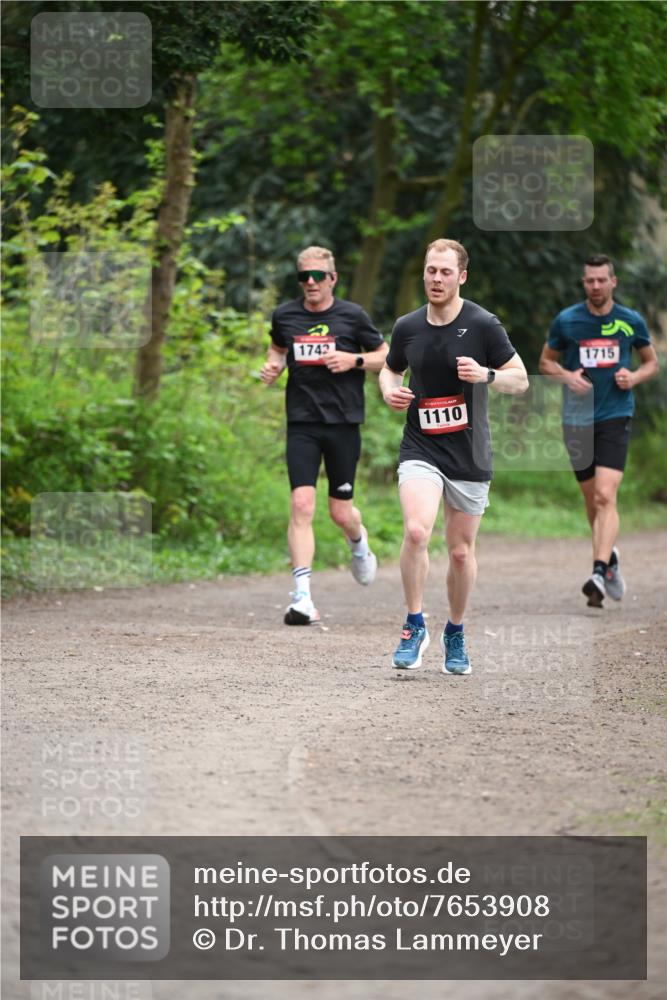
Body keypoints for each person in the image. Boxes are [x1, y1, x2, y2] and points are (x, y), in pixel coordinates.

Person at [379, 238, 528, 675]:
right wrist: (390, 391)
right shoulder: (407, 326)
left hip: (468, 452)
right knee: (416, 530)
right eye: (431, 270)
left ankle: (456, 632)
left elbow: (520, 379)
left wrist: (486, 374)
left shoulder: (483, 324)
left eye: (445, 272)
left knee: (461, 553)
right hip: (421, 446)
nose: (437, 279)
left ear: (461, 276)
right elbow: (390, 367)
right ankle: (413, 624)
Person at [260, 245, 389, 625]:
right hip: (302, 422)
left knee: (340, 512)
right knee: (301, 505)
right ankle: (302, 597)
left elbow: (387, 355)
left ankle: (359, 544)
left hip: (343, 423)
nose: (311, 283)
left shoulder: (352, 316)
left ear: (333, 278)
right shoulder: (285, 315)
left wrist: (354, 360)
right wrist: (273, 366)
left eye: (318, 276)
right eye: (304, 277)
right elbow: (277, 348)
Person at [539, 254, 658, 607]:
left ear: (613, 282)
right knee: (592, 499)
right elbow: (546, 362)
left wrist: (633, 377)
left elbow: (651, 363)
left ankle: (598, 571)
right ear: (584, 283)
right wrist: (567, 376)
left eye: (601, 280)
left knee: (606, 495)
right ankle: (610, 558)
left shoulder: (630, 321)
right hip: (576, 419)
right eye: (589, 280)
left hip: (615, 414)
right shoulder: (567, 321)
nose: (595, 286)